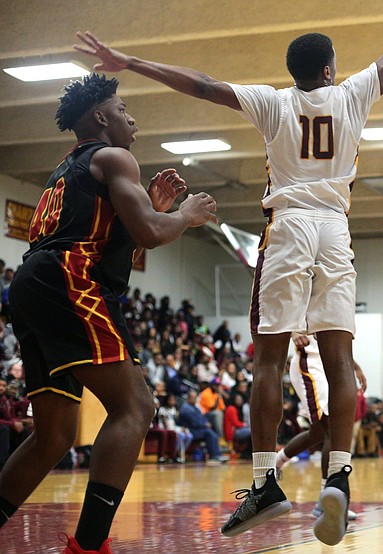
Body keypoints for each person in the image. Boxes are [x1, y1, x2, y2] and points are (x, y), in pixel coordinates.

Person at [74, 1, 383, 545]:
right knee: (338, 357)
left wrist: (129, 61)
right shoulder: (352, 93)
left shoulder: (274, 102)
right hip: (335, 228)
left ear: (295, 71)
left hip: (290, 226)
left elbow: (203, 85)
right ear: (328, 69)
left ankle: (265, 484)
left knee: (270, 358)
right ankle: (340, 474)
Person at [0, 73, 216, 553]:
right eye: (122, 109)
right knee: (136, 406)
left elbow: (124, 240)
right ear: (100, 116)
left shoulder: (66, 170)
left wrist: (155, 210)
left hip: (32, 285)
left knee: (54, 434)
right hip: (67, 278)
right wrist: (186, 214)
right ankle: (90, 545)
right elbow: (151, 235)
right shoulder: (116, 157)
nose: (131, 117)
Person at [276, 333, 365, 521]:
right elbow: (288, 306)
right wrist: (294, 331)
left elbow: (335, 337)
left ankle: (277, 462)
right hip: (310, 363)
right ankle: (326, 501)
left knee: (317, 433)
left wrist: (355, 366)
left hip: (328, 363)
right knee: (332, 430)